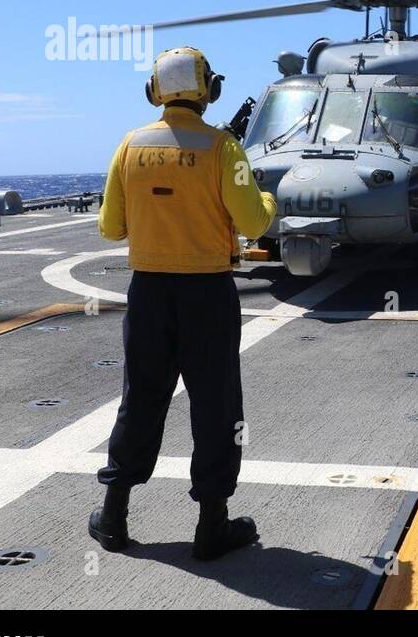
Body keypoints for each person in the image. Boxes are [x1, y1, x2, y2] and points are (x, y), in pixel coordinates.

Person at [92, 46, 278, 560]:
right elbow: (255, 225)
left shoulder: (129, 146)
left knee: (142, 398)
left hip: (149, 293)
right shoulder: (223, 148)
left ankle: (113, 516)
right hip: (207, 295)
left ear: (155, 92)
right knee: (216, 406)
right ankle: (211, 525)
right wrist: (265, 197)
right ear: (208, 92)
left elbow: (110, 227)